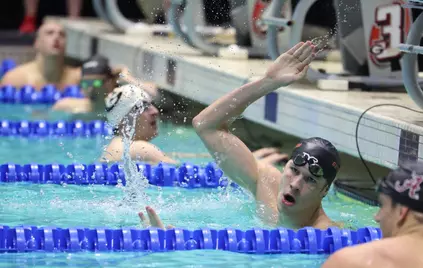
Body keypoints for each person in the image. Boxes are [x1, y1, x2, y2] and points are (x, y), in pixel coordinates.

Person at [139, 41, 344, 230]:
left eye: (310, 180)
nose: (295, 184)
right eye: (294, 170)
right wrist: (268, 82)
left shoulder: (327, 234)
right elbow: (205, 125)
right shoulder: (267, 185)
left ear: (325, 190)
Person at [100, 84, 290, 166]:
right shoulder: (141, 148)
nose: (155, 111)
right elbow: (189, 175)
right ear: (124, 120)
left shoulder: (120, 147)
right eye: (143, 107)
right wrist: (249, 164)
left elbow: (179, 159)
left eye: (152, 105)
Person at [52, 54, 158, 114]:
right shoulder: (67, 105)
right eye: (86, 83)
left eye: (96, 83)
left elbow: (153, 94)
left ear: (110, 82)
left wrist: (126, 77)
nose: (90, 89)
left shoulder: (124, 104)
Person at [1, 20, 80, 89]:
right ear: (37, 43)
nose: (56, 37)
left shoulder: (77, 79)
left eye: (62, 35)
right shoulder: (15, 79)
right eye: (50, 33)